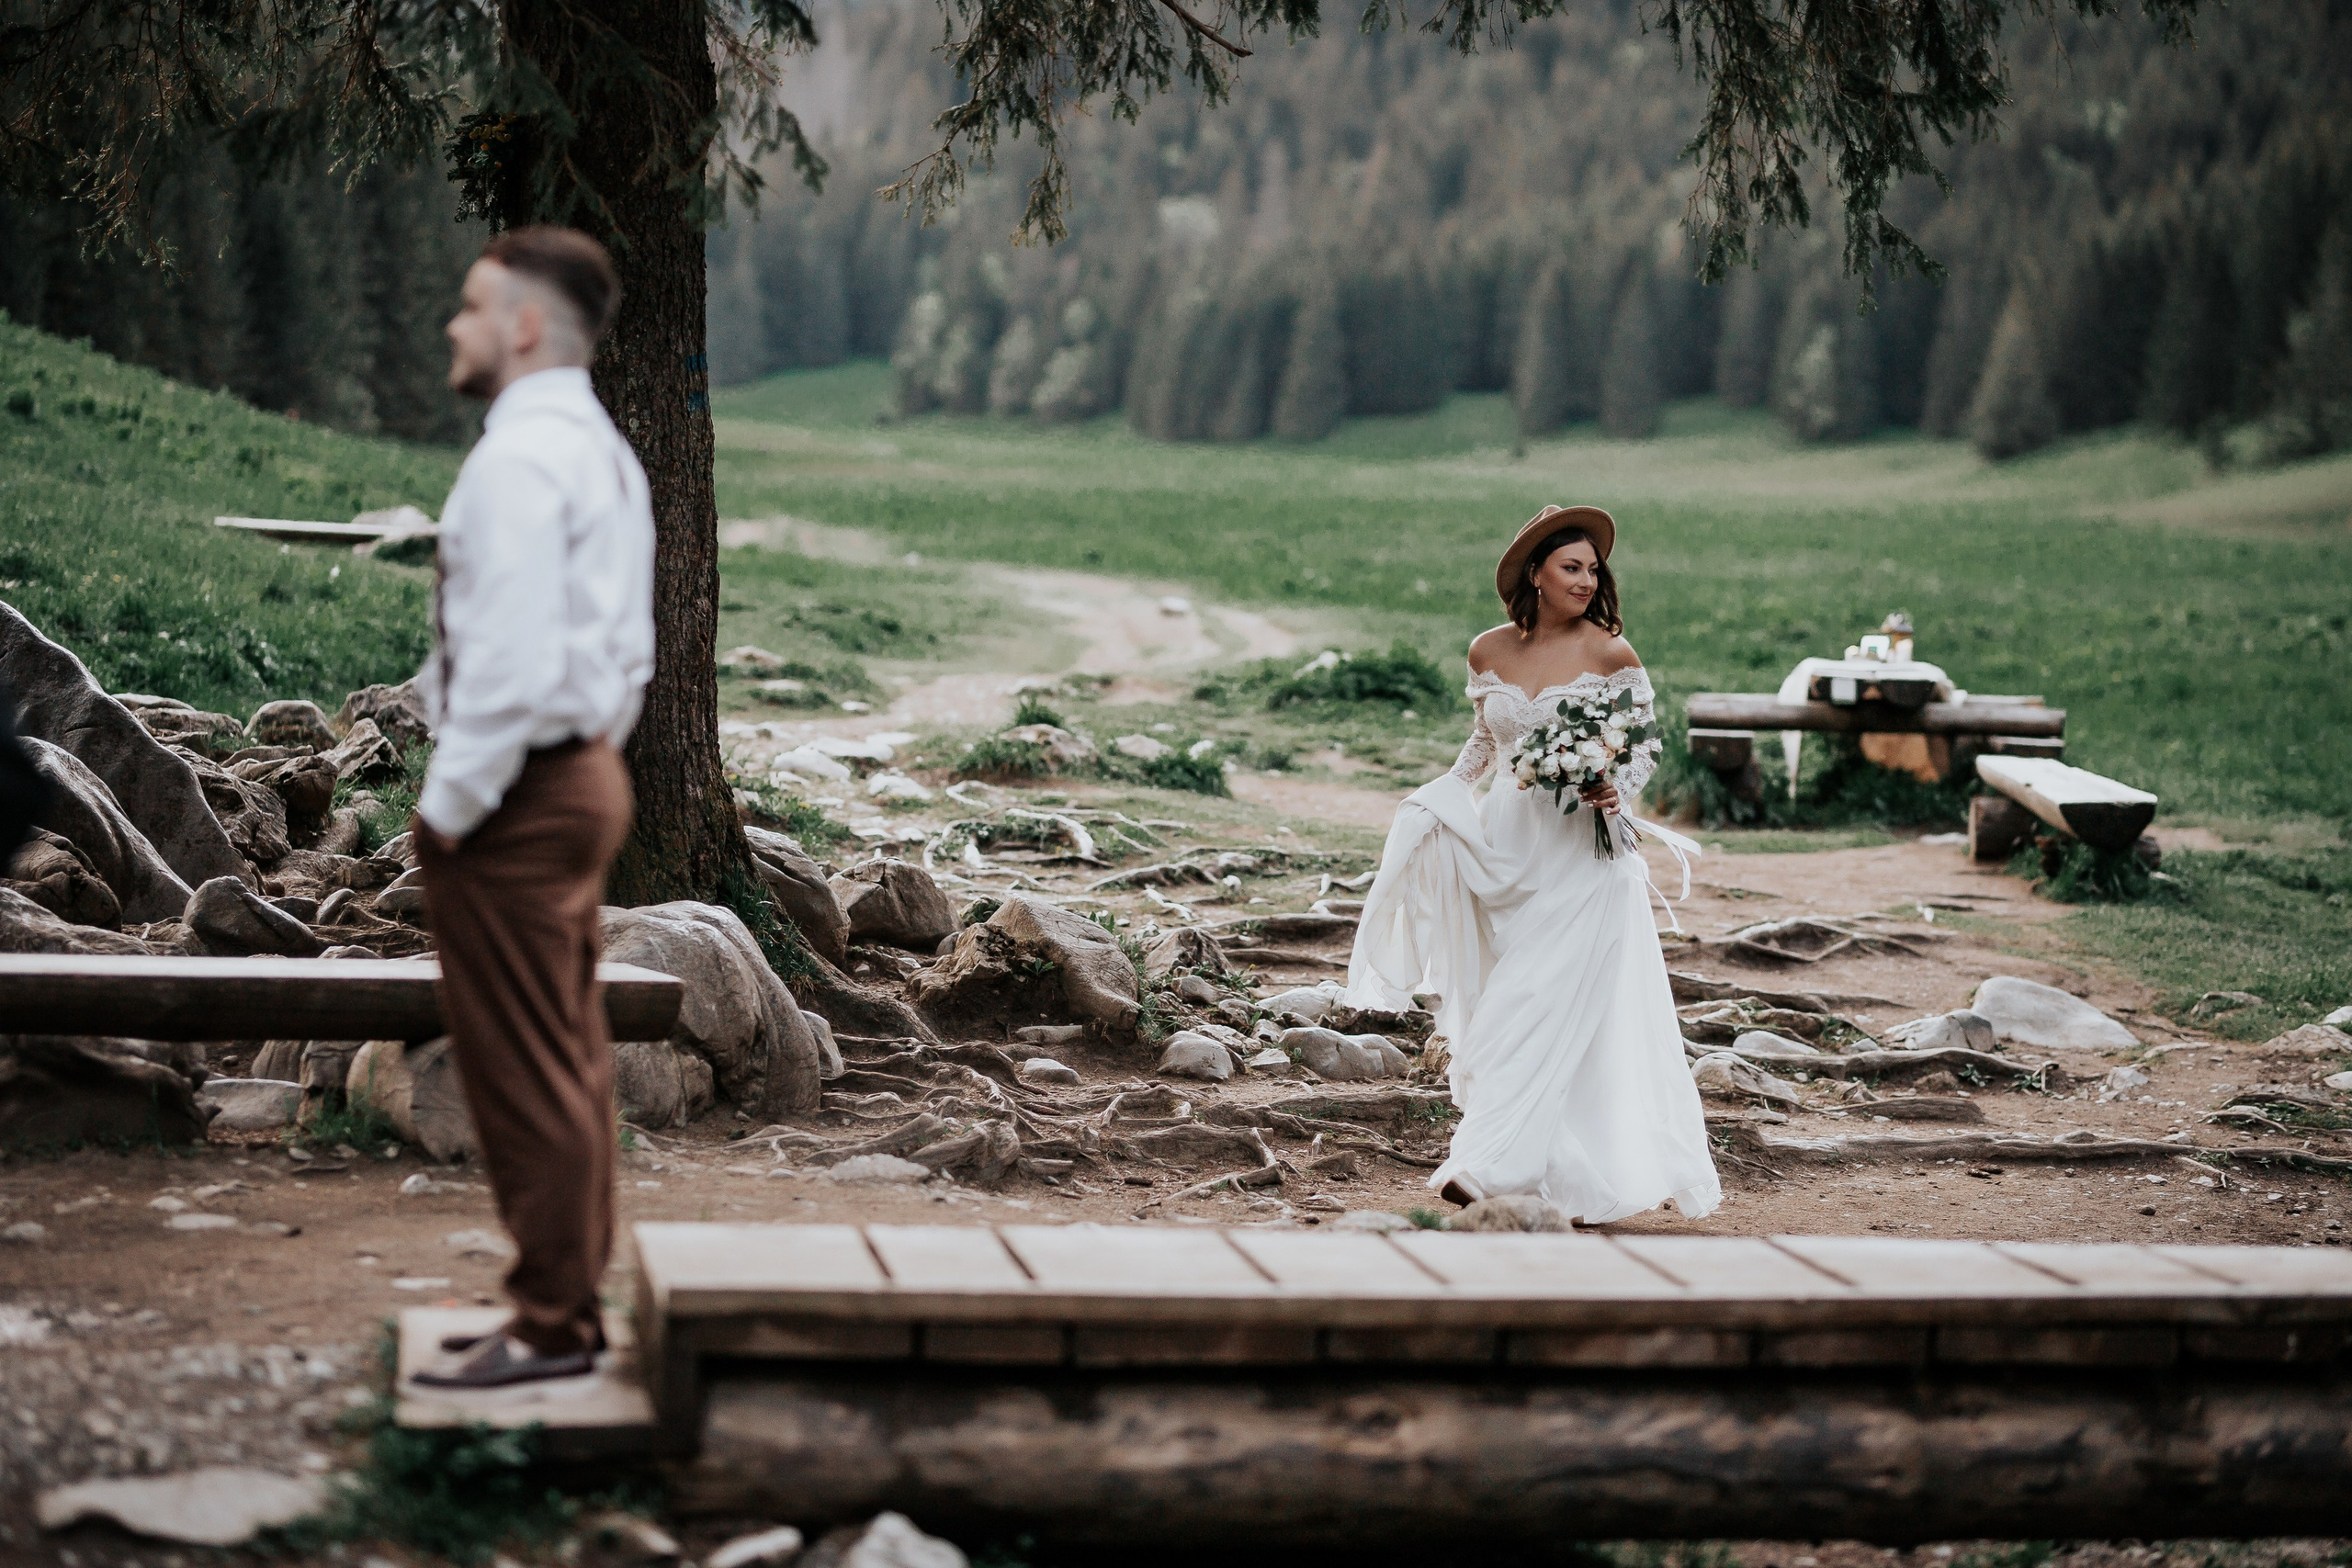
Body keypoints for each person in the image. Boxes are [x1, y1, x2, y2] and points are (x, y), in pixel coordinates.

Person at [408, 228, 656, 1390]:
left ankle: (553, 1323)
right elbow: (631, 653)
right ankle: (565, 1307)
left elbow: (502, 663)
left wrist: (447, 808)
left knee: (522, 1065)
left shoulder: (517, 460)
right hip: (581, 769)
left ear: (519, 325)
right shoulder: (602, 453)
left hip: (516, 792)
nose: (453, 327)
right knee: (566, 1053)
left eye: (469, 307)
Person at [1344, 505, 1721, 1225]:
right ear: (1536, 576)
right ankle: (1561, 1172)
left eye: (1593, 568)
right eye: (1571, 567)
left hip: (1586, 852)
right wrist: (1438, 800)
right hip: (1508, 846)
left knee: (1538, 1003)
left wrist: (1615, 787)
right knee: (1508, 1005)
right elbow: (1483, 747)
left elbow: (1644, 748)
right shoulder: (1488, 651)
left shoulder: (1613, 653)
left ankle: (1488, 1168)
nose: (1588, 579)